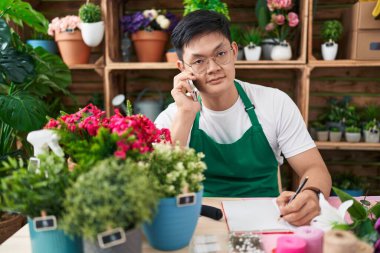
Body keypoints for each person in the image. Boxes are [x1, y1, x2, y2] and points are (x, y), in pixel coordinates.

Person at [155, 10, 331, 226]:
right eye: (199, 61)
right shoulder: (173, 116)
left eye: (220, 54)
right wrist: (185, 115)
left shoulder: (275, 103)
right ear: (183, 68)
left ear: (234, 51)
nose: (213, 68)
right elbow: (158, 185)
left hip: (269, 219)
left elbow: (314, 168)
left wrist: (311, 194)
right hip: (202, 220)